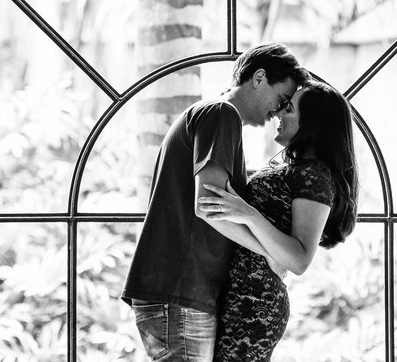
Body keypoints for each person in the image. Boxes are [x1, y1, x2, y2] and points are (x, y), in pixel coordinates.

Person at [122, 43, 308, 361]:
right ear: (259, 77)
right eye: (280, 99)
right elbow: (209, 207)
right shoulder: (221, 115)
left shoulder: (216, 118)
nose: (278, 111)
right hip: (180, 292)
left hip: (180, 294)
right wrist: (272, 255)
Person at [198, 80, 359, 361]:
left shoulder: (315, 176)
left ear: (313, 123)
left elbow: (299, 260)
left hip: (255, 305)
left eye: (290, 108)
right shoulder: (295, 169)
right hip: (238, 297)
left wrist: (248, 213)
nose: (279, 114)